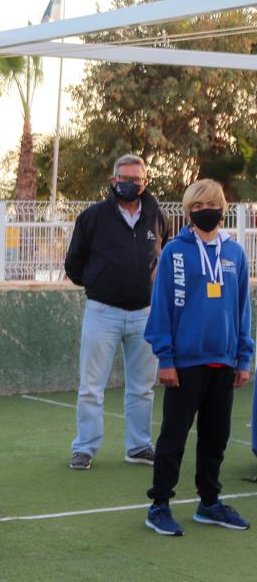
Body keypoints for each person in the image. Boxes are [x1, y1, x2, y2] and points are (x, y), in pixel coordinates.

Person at [143, 179, 253, 536]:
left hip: (223, 362)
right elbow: (161, 309)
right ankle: (159, 505)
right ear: (189, 210)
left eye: (215, 203)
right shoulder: (175, 251)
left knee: (216, 436)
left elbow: (242, 310)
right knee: (174, 436)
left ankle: (209, 503)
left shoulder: (235, 253)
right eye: (201, 204)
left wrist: (244, 357)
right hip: (185, 363)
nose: (210, 210)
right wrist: (166, 358)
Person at [63, 154, 168, 470]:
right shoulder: (93, 217)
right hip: (102, 313)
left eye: (137, 179)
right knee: (91, 387)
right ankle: (85, 448)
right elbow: (74, 263)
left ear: (145, 182)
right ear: (113, 180)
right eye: (124, 178)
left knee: (142, 388)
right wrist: (98, 286)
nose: (130, 183)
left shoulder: (157, 216)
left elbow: (165, 259)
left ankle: (138, 447)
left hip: (145, 315)